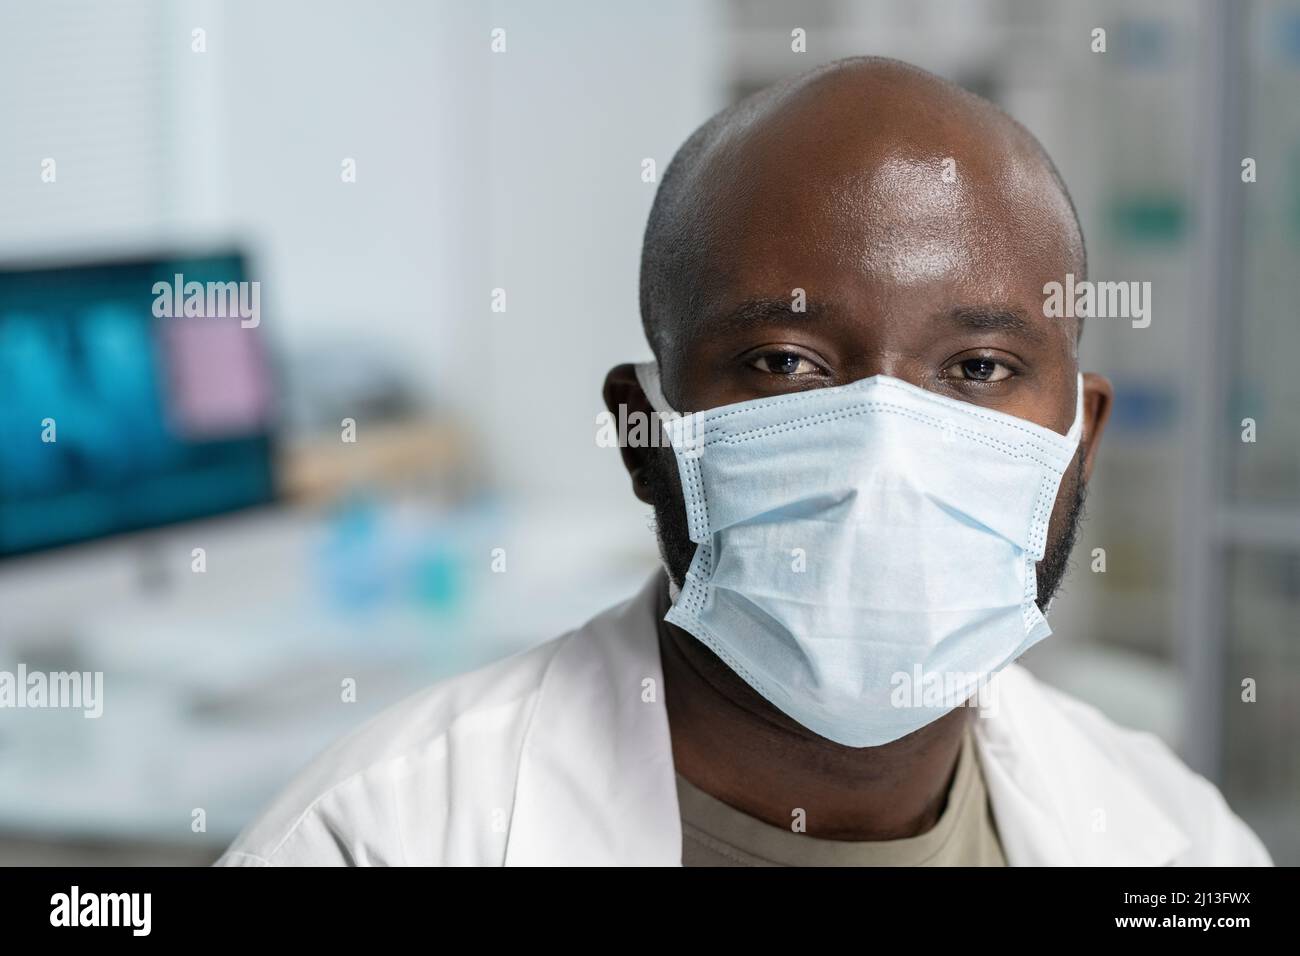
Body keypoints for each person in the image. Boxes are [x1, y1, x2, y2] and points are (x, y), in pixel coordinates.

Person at [216, 57, 1271, 867]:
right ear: (646, 433)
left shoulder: (1174, 844)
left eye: (979, 366)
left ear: (1076, 442)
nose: (886, 455)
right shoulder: (369, 842)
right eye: (785, 361)